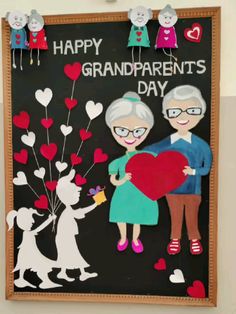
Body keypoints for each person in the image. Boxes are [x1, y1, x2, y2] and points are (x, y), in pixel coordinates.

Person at [145, 85, 212, 255]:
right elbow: (147, 152)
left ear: (201, 114)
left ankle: (194, 239)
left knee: (191, 216)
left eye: (191, 111)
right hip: (172, 189)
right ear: (167, 115)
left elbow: (207, 168)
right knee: (175, 215)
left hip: (193, 190)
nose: (183, 117)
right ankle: (175, 239)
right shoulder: (167, 143)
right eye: (175, 112)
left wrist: (193, 172)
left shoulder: (201, 145)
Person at [105, 91, 159, 254]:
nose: (130, 137)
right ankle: (123, 238)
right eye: (121, 131)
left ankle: (135, 239)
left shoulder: (147, 156)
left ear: (147, 130)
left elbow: (158, 169)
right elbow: (113, 180)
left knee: (137, 218)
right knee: (121, 216)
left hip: (140, 193)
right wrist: (123, 180)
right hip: (123, 194)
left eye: (138, 131)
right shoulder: (118, 162)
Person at [55, 169, 104, 282]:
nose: (78, 196)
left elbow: (79, 212)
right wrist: (95, 204)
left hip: (65, 237)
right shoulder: (68, 211)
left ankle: (65, 272)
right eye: (76, 194)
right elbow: (81, 212)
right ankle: (78, 273)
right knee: (71, 254)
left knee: (69, 254)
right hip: (65, 238)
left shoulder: (67, 209)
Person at [6, 207, 60, 289]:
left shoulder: (26, 233)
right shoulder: (28, 233)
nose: (33, 221)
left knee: (26, 266)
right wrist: (50, 219)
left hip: (27, 254)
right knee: (42, 266)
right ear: (23, 222)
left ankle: (21, 279)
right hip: (31, 254)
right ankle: (45, 282)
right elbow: (39, 228)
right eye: (30, 219)